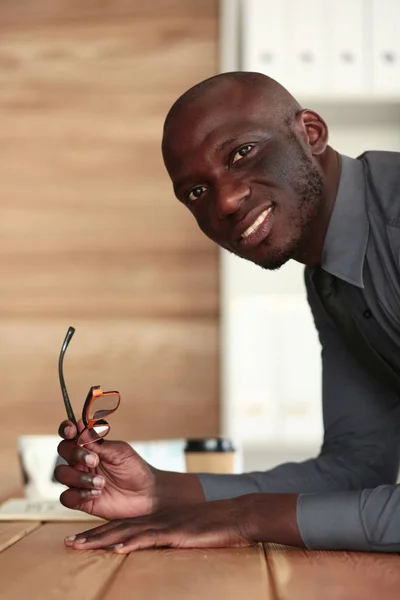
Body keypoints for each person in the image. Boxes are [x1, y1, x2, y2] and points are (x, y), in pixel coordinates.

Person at [55, 71, 400, 554]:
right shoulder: (328, 276)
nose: (227, 200)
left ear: (312, 133)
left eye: (242, 152)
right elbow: (356, 468)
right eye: (196, 192)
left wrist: (248, 516)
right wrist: (158, 491)